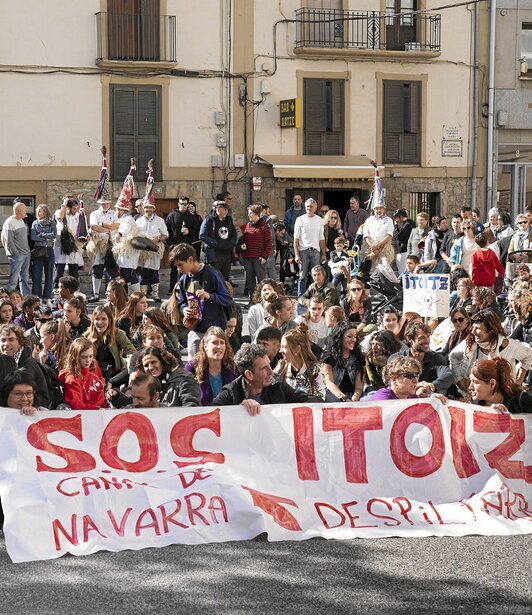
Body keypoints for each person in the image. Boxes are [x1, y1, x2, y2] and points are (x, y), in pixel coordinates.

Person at [210, 343, 322, 415]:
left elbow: (312, 401)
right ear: (249, 374)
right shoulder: (231, 393)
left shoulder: (277, 385)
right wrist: (238, 411)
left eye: (269, 365)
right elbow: (208, 414)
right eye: (264, 368)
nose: (271, 371)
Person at [449, 309, 532, 398]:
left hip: (503, 398)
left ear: (491, 330)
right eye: (473, 328)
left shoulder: (509, 346)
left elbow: (529, 356)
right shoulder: (470, 344)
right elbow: (453, 356)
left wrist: (519, 380)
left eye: (477, 328)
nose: (473, 332)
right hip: (475, 398)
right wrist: (459, 379)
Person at [171, 242, 233, 359]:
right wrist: (184, 310)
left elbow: (227, 299)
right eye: (177, 266)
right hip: (195, 329)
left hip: (214, 330)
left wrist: (209, 296)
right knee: (193, 366)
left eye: (180, 265)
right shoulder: (184, 279)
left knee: (215, 364)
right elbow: (182, 302)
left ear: (190, 259)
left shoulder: (212, 274)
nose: (179, 269)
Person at [389, 321, 454, 395]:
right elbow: (391, 382)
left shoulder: (435, 358)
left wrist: (430, 386)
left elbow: (448, 375)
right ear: (409, 339)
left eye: (428, 336)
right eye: (422, 337)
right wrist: (417, 387)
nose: (427, 340)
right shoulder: (397, 359)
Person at [185, 326, 238, 405]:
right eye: (214, 342)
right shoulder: (192, 367)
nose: (219, 346)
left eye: (222, 343)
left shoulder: (233, 367)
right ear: (205, 346)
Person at [0, 323, 49, 407]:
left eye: (11, 339)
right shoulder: (4, 361)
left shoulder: (27, 365)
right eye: (3, 340)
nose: (6, 344)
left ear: (20, 342)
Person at [83, 304, 136, 382]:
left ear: (110, 320)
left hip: (115, 374)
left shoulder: (118, 334)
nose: (100, 322)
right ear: (92, 320)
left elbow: (132, 352)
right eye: (97, 319)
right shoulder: (86, 337)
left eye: (104, 319)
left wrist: (129, 363)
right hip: (93, 375)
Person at [274, 324, 327, 400]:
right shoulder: (281, 366)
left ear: (297, 349)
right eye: (281, 347)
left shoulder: (316, 370)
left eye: (284, 347)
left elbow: (320, 399)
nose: (280, 351)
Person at [136, 346, 200, 407]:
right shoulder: (147, 387)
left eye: (153, 362)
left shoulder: (184, 380)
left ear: (163, 361)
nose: (150, 367)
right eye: (146, 365)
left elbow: (192, 407)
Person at [87, 192, 120, 303]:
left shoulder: (114, 213)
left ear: (110, 203)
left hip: (111, 243)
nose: (104, 205)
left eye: (106, 203)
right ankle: (96, 294)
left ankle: (112, 295)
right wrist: (109, 228)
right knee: (97, 269)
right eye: (102, 203)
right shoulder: (94, 213)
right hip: (98, 243)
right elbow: (94, 227)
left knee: (111, 268)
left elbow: (117, 225)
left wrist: (102, 224)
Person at [372, 356, 448, 403]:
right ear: (394, 378)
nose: (415, 380)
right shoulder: (381, 398)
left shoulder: (413, 397)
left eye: (416, 375)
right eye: (409, 375)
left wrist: (432, 402)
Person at [321, 322, 365, 402]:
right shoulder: (328, 356)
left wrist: (355, 397)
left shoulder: (358, 356)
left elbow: (359, 383)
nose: (353, 340)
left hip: (353, 395)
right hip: (334, 395)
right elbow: (329, 383)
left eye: (355, 336)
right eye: (349, 336)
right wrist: (344, 398)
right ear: (340, 337)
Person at [58, 338, 106, 410]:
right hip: (89, 413)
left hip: (105, 409)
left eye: (90, 356)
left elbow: (100, 386)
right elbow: (76, 405)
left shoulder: (94, 363)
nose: (88, 360)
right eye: (84, 357)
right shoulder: (72, 379)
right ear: (75, 357)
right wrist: (96, 409)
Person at [135, 200, 168, 303]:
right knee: (142, 273)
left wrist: (156, 239)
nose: (148, 210)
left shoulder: (160, 220)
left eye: (150, 208)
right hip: (143, 249)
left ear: (154, 209)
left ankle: (155, 295)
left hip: (155, 248)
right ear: (143, 208)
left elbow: (165, 234)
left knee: (154, 272)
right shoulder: (139, 221)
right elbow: (135, 234)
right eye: (146, 208)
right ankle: (143, 295)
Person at [167, 196, 201, 290]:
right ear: (178, 204)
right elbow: (167, 230)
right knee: (174, 267)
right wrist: (170, 243)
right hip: (175, 245)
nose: (183, 206)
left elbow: (197, 231)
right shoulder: (172, 215)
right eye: (181, 204)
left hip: (187, 246)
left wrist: (189, 232)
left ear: (188, 205)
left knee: (185, 267)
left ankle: (185, 287)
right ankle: (172, 288)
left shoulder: (191, 217)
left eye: (185, 204)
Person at [239, 204, 273, 301]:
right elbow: (244, 238)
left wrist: (264, 256)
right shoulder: (248, 225)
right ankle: (252, 300)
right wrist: (243, 243)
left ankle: (263, 300)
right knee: (250, 280)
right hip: (247, 257)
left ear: (256, 214)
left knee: (261, 280)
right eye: (248, 213)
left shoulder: (264, 226)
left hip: (258, 258)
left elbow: (269, 242)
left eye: (250, 213)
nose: (249, 215)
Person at [293, 198, 326, 296]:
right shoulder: (300, 219)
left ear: (315, 208)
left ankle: (315, 296)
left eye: (311, 206)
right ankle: (301, 297)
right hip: (303, 250)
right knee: (302, 276)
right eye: (307, 206)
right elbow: (296, 238)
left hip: (315, 251)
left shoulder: (320, 220)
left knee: (316, 276)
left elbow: (321, 238)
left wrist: (323, 253)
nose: (309, 208)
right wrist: (296, 254)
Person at [199, 200, 237, 283]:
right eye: (225, 209)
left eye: (227, 210)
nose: (227, 212)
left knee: (225, 278)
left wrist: (231, 243)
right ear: (218, 209)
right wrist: (215, 244)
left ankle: (224, 294)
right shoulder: (209, 220)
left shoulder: (228, 220)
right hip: (214, 254)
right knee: (214, 277)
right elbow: (202, 235)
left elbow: (234, 234)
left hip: (227, 253)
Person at [1, 201, 31, 295]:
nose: (26, 211)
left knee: (25, 278)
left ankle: (25, 298)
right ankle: (9, 299)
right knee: (13, 280)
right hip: (17, 256)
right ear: (18, 211)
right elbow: (8, 241)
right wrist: (16, 254)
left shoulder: (21, 220)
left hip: (26, 254)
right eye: (24, 210)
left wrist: (27, 251)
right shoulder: (9, 222)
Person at [53, 196, 85, 285]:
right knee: (59, 269)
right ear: (68, 207)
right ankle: (56, 290)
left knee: (74, 270)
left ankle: (74, 290)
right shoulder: (61, 213)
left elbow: (82, 228)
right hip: (61, 243)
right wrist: (64, 203)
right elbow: (59, 217)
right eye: (74, 208)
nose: (76, 210)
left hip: (74, 244)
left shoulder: (78, 215)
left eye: (76, 208)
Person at [30, 204, 57, 301]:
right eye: (38, 211)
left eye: (41, 211)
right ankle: (36, 297)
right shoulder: (34, 223)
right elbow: (33, 236)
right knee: (37, 275)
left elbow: (54, 235)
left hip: (49, 250)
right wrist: (46, 237)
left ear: (45, 212)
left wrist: (41, 235)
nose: (39, 213)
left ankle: (47, 297)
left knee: (49, 274)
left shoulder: (52, 223)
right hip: (38, 250)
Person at [363, 203, 394, 269]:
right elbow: (366, 235)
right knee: (370, 271)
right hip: (370, 248)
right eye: (377, 208)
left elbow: (389, 235)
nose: (379, 210)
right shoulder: (368, 220)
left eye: (381, 208)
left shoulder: (389, 220)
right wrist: (373, 247)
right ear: (373, 209)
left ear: (384, 209)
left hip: (384, 249)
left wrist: (378, 245)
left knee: (384, 271)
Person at [260, 204, 278, 281]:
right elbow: (271, 234)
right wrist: (273, 246)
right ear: (264, 210)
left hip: (259, 248)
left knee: (261, 271)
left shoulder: (253, 220)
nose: (269, 213)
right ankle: (274, 288)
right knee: (271, 270)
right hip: (268, 248)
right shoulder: (267, 219)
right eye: (268, 211)